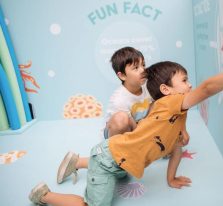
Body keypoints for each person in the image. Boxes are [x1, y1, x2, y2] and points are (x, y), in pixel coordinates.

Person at [29, 48, 223, 206]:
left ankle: (76, 162)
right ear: (167, 91)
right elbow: (207, 89)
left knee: (122, 172)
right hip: (109, 159)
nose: (190, 85)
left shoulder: (178, 114)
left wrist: (171, 178)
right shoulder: (169, 103)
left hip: (121, 158)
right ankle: (45, 195)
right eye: (185, 81)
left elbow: (176, 147)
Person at [56, 46, 190, 185]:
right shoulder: (119, 98)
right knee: (122, 119)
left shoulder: (148, 87)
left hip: (138, 129)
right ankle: (98, 161)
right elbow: (134, 128)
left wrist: (175, 133)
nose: (143, 70)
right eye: (136, 68)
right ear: (122, 75)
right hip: (116, 134)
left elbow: (162, 109)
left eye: (143, 65)